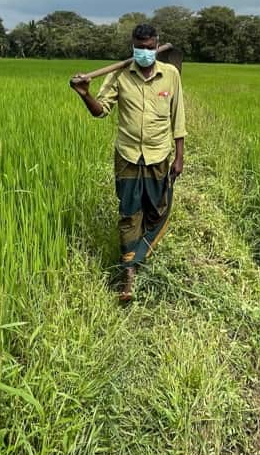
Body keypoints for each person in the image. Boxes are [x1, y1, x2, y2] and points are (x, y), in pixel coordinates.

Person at [70, 23, 186, 303]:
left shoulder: (170, 75)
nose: (144, 53)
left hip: (159, 154)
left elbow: (177, 116)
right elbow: (101, 111)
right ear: (132, 46)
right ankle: (129, 273)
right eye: (139, 48)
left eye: (149, 48)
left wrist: (180, 156)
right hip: (128, 156)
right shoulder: (119, 75)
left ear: (157, 46)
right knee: (129, 212)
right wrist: (86, 94)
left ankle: (141, 250)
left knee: (156, 210)